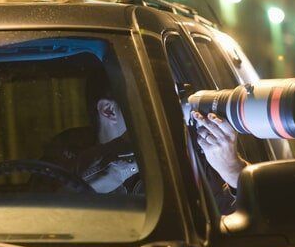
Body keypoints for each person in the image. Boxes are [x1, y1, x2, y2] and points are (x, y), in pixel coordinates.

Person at [41, 64, 246, 213]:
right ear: (109, 110)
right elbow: (49, 212)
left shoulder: (186, 150)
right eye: (150, 104)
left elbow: (232, 219)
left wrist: (232, 169)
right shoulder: (64, 156)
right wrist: (143, 144)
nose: (162, 113)